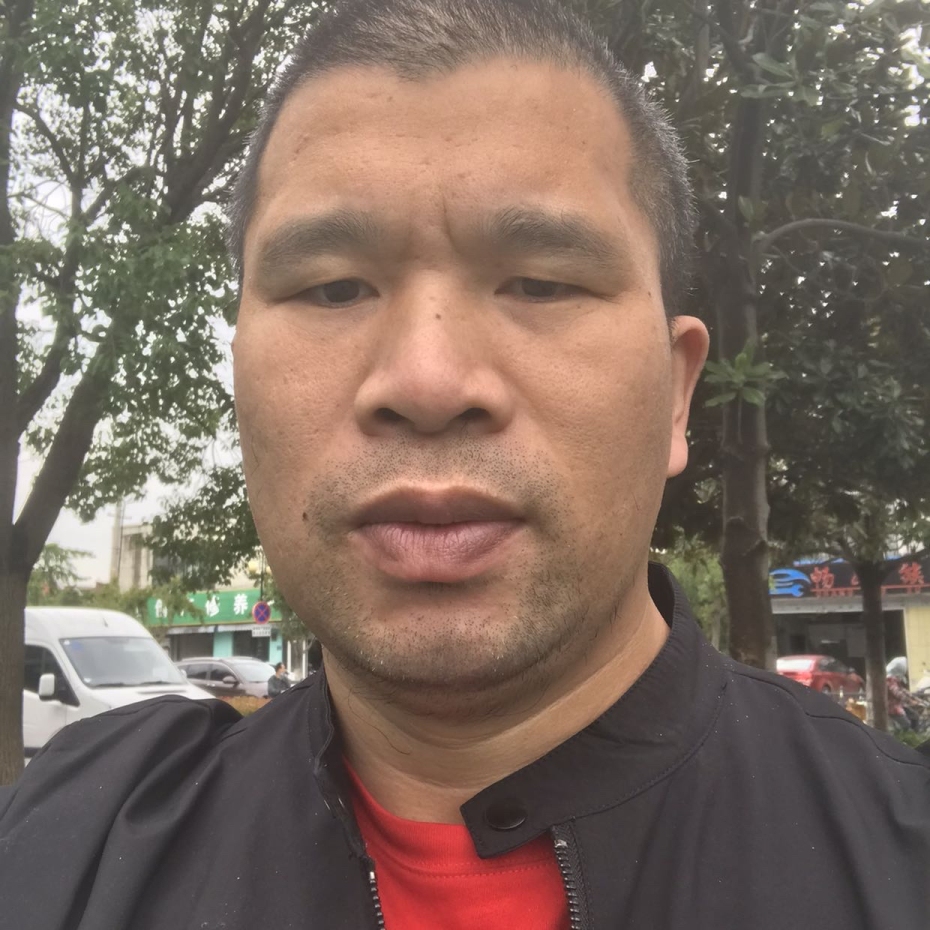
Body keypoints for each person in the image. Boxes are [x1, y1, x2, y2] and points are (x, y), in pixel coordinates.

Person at [1, 2, 928, 928]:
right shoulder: (67, 849)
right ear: (240, 378)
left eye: (542, 283)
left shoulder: (897, 859)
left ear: (677, 394)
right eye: (333, 288)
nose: (428, 382)